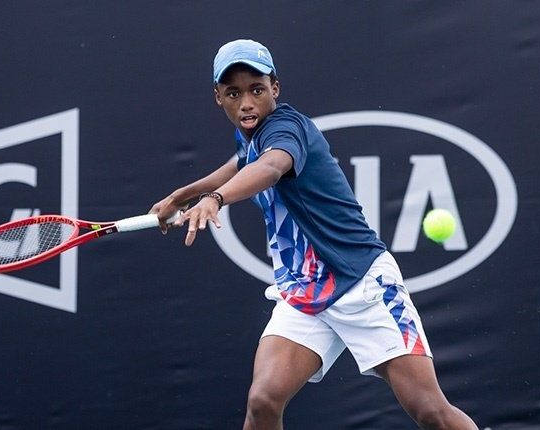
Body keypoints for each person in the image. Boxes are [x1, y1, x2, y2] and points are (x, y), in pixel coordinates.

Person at [150, 39, 477, 430]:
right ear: (218, 97)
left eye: (256, 89)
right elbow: (242, 162)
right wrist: (181, 195)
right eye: (233, 93)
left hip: (361, 283)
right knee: (263, 400)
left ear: (275, 88)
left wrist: (216, 199)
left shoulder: (288, 128)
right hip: (305, 292)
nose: (247, 103)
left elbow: (269, 167)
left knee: (430, 412)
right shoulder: (250, 133)